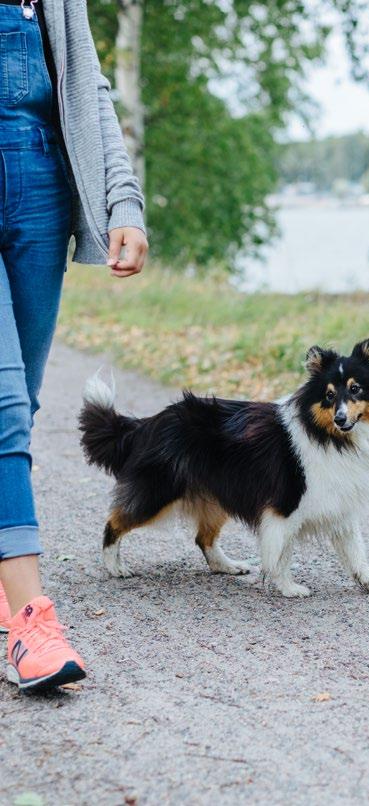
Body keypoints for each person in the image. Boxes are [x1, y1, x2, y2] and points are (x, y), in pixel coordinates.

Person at [0, 0, 148, 691]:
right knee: (1, 404)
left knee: (19, 405)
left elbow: (85, 86)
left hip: (38, 186)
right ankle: (31, 621)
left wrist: (123, 202)